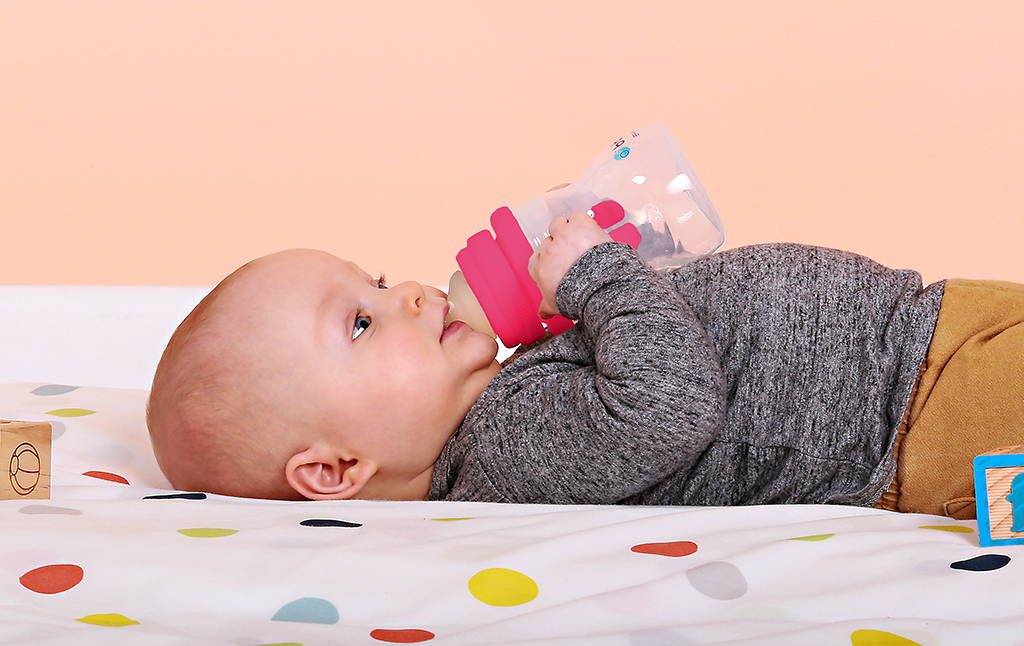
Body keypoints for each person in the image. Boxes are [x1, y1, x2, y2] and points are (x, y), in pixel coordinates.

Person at [145, 207, 1024, 519]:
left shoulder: (502, 395)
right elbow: (668, 405)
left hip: (927, 327)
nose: (411, 292)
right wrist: (598, 278)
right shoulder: (506, 451)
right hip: (920, 409)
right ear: (335, 468)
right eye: (363, 324)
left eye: (377, 280)